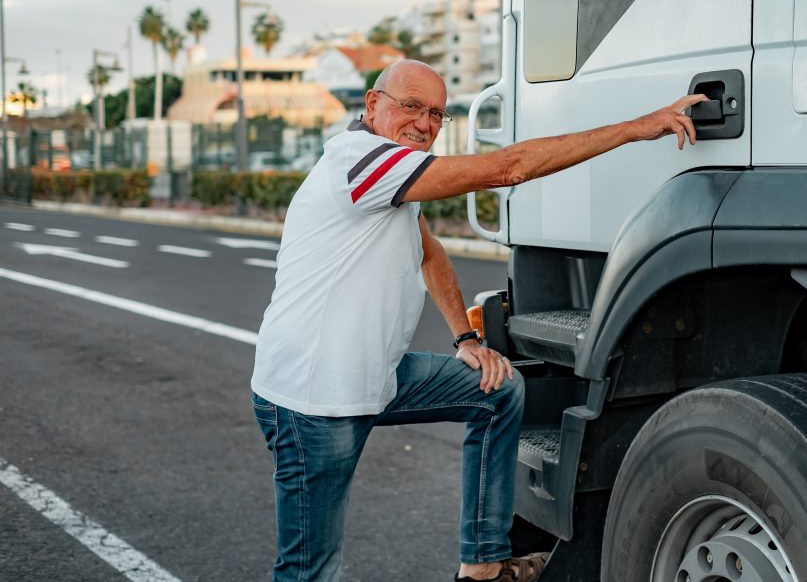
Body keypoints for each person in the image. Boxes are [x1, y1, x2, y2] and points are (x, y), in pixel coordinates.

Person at [251, 59, 707, 582]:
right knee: (309, 570)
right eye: (411, 106)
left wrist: (466, 338)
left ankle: (483, 566)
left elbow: (430, 255)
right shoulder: (360, 162)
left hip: (373, 377)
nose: (424, 123)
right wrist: (638, 127)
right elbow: (507, 168)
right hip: (312, 399)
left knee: (497, 389)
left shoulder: (388, 172)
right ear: (373, 105)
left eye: (437, 114)